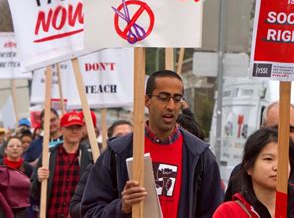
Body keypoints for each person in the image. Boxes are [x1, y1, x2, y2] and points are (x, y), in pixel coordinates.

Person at [81, 70, 223, 217]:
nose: (171, 105)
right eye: (163, 97)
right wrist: (122, 207)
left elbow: (214, 212)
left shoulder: (199, 155)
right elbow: (90, 211)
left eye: (177, 98)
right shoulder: (118, 152)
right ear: (147, 101)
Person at [214, 127, 294, 217]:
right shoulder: (228, 213)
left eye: (284, 160)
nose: (277, 167)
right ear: (249, 166)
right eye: (268, 159)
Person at [30, 111, 93, 217]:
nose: (74, 131)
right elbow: (33, 193)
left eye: (78, 127)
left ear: (83, 129)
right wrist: (38, 179)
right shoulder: (48, 155)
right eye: (70, 127)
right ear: (62, 129)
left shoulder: (91, 157)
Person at [69, 119, 133, 218]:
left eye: (129, 136)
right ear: (110, 139)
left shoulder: (142, 167)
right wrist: (119, 207)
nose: (124, 140)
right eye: (119, 136)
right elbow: (76, 207)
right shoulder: (98, 166)